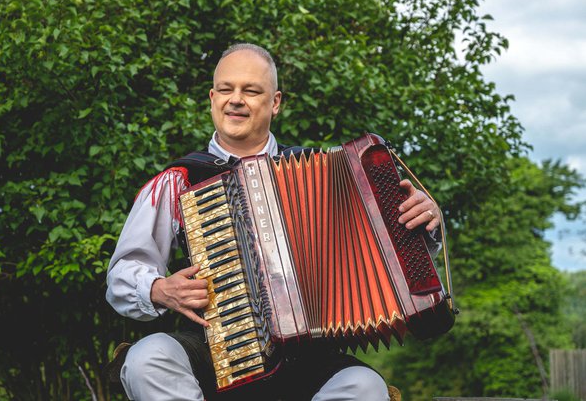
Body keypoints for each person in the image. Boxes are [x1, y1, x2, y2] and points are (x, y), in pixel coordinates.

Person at [106, 43, 442, 401]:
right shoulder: (181, 179)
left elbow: (383, 249)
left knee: (365, 387)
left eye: (251, 91)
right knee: (146, 357)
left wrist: (422, 223)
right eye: (226, 89)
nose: (235, 100)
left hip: (307, 362)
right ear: (212, 97)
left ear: (275, 102)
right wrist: (159, 289)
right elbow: (122, 275)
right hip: (215, 358)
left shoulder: (327, 176)